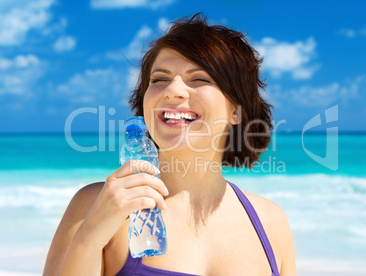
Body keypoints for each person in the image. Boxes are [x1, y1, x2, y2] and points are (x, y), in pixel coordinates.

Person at [43, 14, 296, 276]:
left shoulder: (270, 222)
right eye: (159, 79)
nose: (172, 90)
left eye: (199, 79)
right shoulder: (95, 205)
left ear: (237, 111)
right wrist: (91, 233)